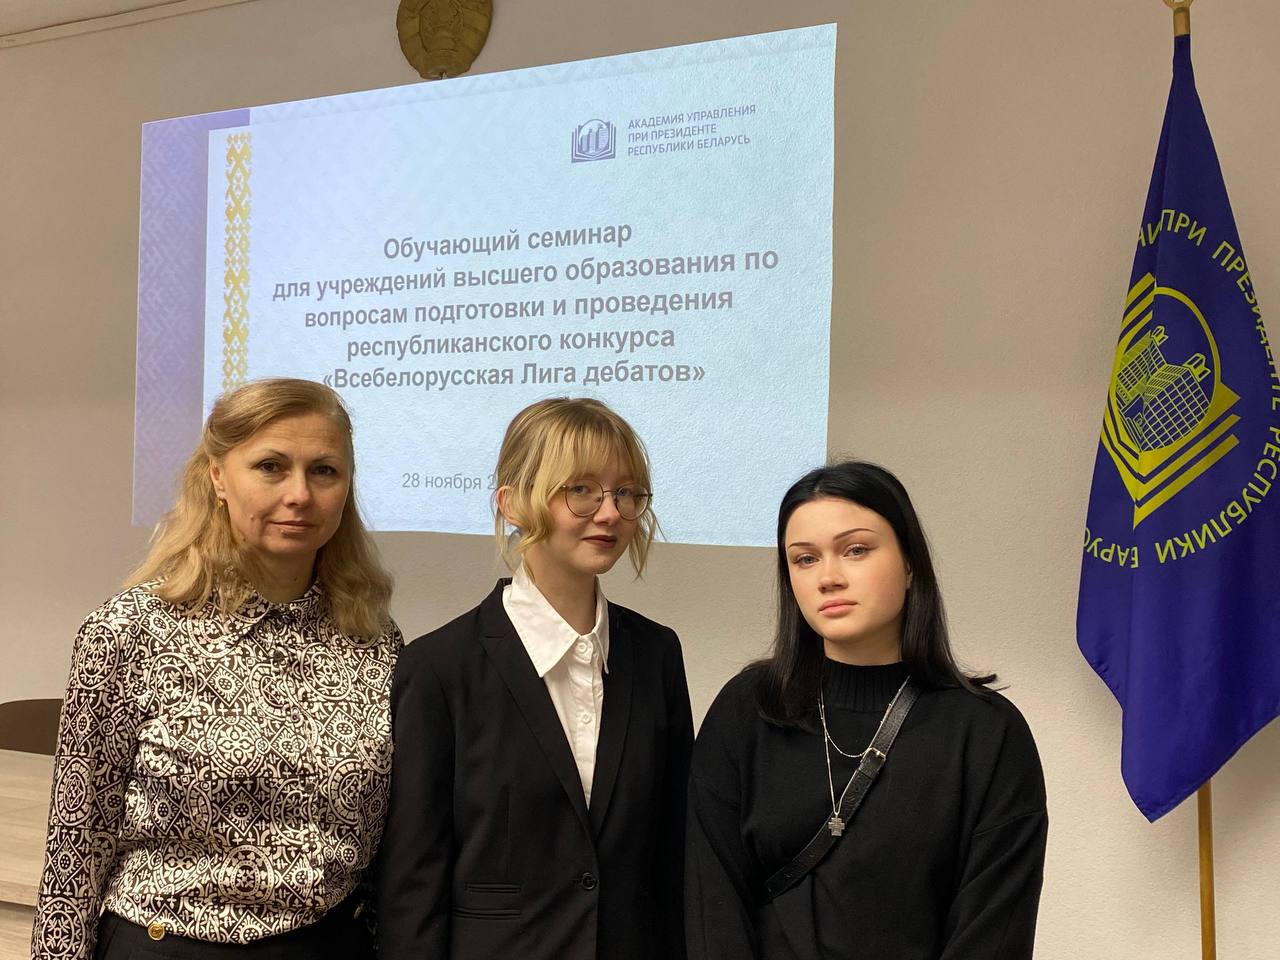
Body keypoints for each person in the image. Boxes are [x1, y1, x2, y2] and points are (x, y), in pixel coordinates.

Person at [31, 378, 401, 960]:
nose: (299, 494)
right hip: (167, 945)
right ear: (218, 477)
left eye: (324, 471)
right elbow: (77, 847)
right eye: (271, 466)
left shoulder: (375, 641)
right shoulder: (129, 632)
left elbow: (386, 848)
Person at [685, 461, 1046, 960]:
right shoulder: (748, 709)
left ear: (910, 563)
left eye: (856, 550)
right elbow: (711, 903)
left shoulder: (986, 732)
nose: (828, 578)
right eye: (804, 559)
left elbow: (995, 931)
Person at [376, 397, 694, 960]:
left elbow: (674, 852)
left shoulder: (656, 653)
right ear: (512, 503)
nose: (610, 513)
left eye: (626, 492)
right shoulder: (439, 667)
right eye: (581, 490)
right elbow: (414, 882)